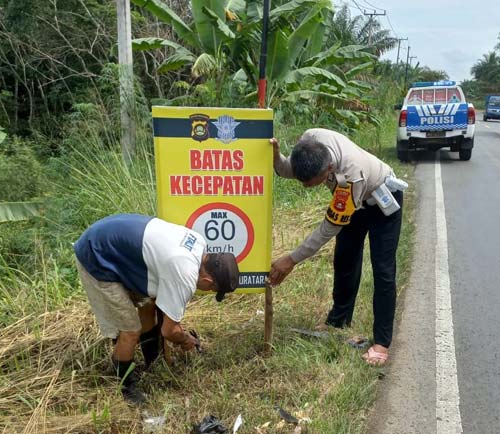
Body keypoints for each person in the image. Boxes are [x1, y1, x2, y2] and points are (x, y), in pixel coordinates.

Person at [269, 128, 404, 366]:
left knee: (383, 270)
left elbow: (328, 229)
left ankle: (381, 343)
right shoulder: (310, 141)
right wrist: (277, 157)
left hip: (381, 202)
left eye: (311, 184)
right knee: (345, 258)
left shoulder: (352, 175)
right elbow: (288, 168)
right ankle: (339, 319)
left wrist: (291, 260)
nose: (305, 187)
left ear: (329, 169)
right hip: (355, 202)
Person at [73, 213, 239, 405]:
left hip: (112, 236)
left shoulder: (199, 244)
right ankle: (126, 388)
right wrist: (186, 340)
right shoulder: (185, 272)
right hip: (96, 253)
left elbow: (159, 300)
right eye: (212, 289)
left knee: (148, 303)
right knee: (129, 331)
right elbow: (169, 330)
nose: (207, 290)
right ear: (208, 280)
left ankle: (152, 360)